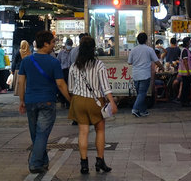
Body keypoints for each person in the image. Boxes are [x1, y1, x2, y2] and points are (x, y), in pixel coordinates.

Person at [17, 30, 71, 174]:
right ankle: (35, 163)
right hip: (47, 101)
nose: (54, 45)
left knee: (36, 134)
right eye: (52, 42)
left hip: (30, 101)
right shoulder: (53, 62)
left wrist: (22, 100)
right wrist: (70, 100)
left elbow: (21, 82)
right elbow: (60, 84)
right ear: (45, 44)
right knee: (42, 134)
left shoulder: (26, 61)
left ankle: (44, 161)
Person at [68, 36, 118, 174]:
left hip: (78, 100)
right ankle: (99, 161)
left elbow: (71, 88)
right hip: (95, 101)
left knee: (83, 132)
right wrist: (112, 102)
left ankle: (84, 164)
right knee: (100, 130)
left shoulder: (74, 66)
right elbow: (105, 86)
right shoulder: (99, 65)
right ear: (93, 48)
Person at [127, 32, 163, 117]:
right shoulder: (149, 49)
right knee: (142, 93)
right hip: (145, 75)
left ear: (137, 40)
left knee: (140, 93)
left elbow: (129, 62)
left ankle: (143, 110)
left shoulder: (133, 50)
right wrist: (162, 67)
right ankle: (135, 109)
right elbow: (156, 61)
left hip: (136, 75)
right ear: (146, 40)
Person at [177, 37, 191, 107]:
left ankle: (185, 101)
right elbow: (185, 61)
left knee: (186, 87)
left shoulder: (186, 50)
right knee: (185, 87)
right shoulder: (185, 51)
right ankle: (184, 101)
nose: (190, 42)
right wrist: (187, 71)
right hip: (185, 73)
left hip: (186, 72)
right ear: (187, 42)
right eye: (189, 41)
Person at [56, 38, 73, 107]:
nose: (69, 46)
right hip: (63, 71)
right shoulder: (61, 53)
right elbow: (58, 62)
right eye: (68, 44)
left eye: (70, 45)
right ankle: (62, 101)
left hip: (71, 71)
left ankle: (68, 102)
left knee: (70, 87)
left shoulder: (73, 52)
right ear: (65, 45)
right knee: (63, 86)